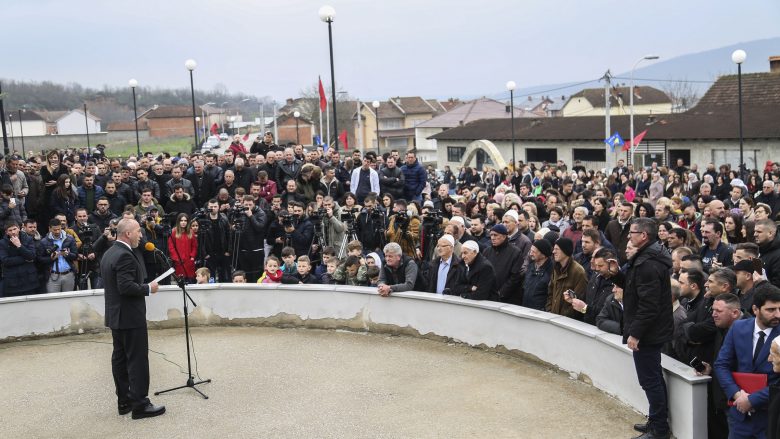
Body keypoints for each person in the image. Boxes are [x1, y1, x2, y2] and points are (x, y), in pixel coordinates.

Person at [609, 218, 673, 439]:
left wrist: (635, 333)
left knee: (649, 379)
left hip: (648, 332)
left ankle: (659, 429)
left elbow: (649, 305)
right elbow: (633, 286)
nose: (629, 236)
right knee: (652, 377)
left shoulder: (649, 263)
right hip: (651, 330)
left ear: (644, 235)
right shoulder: (647, 257)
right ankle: (656, 420)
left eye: (632, 233)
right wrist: (617, 274)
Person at [100, 218, 165, 419]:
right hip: (129, 318)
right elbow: (125, 287)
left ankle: (124, 401)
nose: (141, 235)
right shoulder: (124, 256)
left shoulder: (110, 252)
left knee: (120, 359)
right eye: (138, 231)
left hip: (116, 317)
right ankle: (140, 405)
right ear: (128, 233)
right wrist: (148, 288)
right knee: (136, 360)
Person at [714, 287, 780, 439]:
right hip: (739, 416)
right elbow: (721, 364)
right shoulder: (738, 327)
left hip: (771, 417)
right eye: (771, 309)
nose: (777, 314)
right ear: (755, 309)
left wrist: (752, 400)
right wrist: (737, 395)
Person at [483, 224, 524, 304]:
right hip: (488, 296)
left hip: (507, 299)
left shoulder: (515, 252)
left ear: (504, 236)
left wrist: (500, 293)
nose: (492, 238)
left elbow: (515, 277)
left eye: (495, 235)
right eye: (491, 235)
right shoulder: (487, 251)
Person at [547, 237, 588, 319]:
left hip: (567, 321)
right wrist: (549, 311)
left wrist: (564, 317)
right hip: (552, 317)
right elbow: (550, 292)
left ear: (565, 251)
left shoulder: (578, 272)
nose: (553, 252)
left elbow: (579, 299)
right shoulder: (556, 269)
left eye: (557, 249)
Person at [0, 221, 40, 297]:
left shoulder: (28, 239)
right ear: (6, 232)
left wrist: (19, 246)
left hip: (29, 280)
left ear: (19, 228)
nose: (13, 232)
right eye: (10, 230)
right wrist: (25, 259)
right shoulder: (2, 243)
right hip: (13, 282)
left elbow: (32, 256)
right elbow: (5, 261)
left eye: (15, 229)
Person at [523, 238, 553, 310]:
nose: (530, 254)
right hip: (525, 309)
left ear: (543, 254)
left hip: (540, 313)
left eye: (534, 252)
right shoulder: (530, 267)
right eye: (531, 251)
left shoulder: (552, 270)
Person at [168, 213, 197, 283]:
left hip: (189, 261)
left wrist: (192, 256)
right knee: (180, 282)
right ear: (178, 222)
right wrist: (176, 258)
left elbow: (194, 246)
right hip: (179, 262)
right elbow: (171, 247)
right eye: (181, 221)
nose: (183, 222)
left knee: (190, 281)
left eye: (185, 221)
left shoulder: (191, 232)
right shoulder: (174, 232)